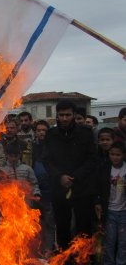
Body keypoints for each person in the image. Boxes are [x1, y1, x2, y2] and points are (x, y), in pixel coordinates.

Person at [43, 100, 98, 250]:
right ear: (57, 116)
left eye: (68, 115)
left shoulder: (85, 133)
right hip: (59, 188)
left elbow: (92, 159)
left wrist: (74, 177)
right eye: (62, 115)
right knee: (62, 228)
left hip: (82, 188)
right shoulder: (51, 134)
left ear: (74, 115)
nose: (65, 118)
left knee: (84, 229)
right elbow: (47, 160)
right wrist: (60, 176)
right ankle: (64, 262)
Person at [96, 142, 126, 265]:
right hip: (109, 211)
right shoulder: (104, 169)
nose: (115, 157)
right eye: (112, 154)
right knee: (109, 241)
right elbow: (99, 188)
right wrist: (98, 203)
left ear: (123, 155)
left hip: (123, 211)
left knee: (123, 242)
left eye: (118, 154)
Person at [32, 120, 57, 256]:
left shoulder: (53, 147)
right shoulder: (31, 148)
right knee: (36, 225)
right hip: (35, 192)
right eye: (39, 130)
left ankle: (49, 250)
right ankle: (37, 251)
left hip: (50, 193)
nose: (42, 133)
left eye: (44, 130)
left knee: (49, 223)